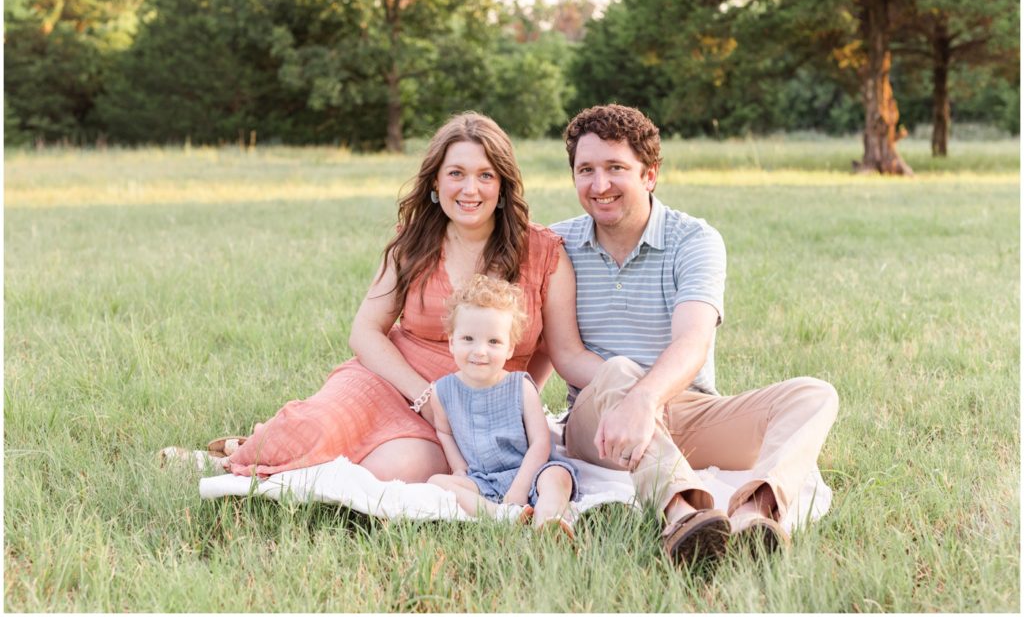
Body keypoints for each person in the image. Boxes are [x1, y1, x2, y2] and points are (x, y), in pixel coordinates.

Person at [177, 112, 604, 483]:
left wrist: (513, 397)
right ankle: (240, 456)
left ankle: (271, 446)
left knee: (399, 469)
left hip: (474, 403)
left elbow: (561, 351)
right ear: (436, 181)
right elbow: (365, 331)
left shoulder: (545, 253)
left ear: (503, 185)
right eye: (456, 173)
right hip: (392, 380)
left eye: (485, 175)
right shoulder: (415, 241)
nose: (469, 189)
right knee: (319, 427)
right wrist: (425, 397)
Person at [550, 104, 839, 569]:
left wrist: (647, 397)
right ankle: (684, 516)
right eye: (586, 170)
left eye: (615, 168)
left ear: (649, 175)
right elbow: (565, 354)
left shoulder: (694, 240)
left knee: (815, 395)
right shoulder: (557, 244)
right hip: (599, 421)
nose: (599, 185)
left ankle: (754, 513)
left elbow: (693, 341)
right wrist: (629, 394)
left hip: (687, 408)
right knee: (618, 369)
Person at [427, 274, 578, 535]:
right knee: (437, 482)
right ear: (452, 342)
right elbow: (444, 432)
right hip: (482, 480)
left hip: (530, 470)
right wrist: (460, 468)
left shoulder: (520, 386)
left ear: (510, 349)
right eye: (468, 339)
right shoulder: (442, 392)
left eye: (494, 341)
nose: (480, 351)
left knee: (557, 477)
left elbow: (540, 442)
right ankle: (499, 515)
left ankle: (549, 521)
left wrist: (520, 487)